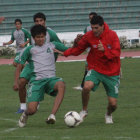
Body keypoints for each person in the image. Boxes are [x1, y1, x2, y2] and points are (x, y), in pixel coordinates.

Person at [54, 15, 121, 124]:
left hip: (112, 72)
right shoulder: (89, 36)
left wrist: (105, 50)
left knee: (113, 104)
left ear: (102, 26)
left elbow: (117, 53)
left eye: (96, 28)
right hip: (96, 69)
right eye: (92, 27)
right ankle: (84, 111)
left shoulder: (112, 35)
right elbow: (78, 49)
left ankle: (108, 114)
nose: (93, 30)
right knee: (86, 87)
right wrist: (65, 52)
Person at [18, 24, 68, 127]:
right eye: (38, 37)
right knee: (32, 110)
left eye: (42, 36)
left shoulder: (53, 45)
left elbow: (70, 50)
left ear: (45, 36)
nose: (40, 39)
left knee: (61, 84)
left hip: (50, 80)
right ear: (33, 38)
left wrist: (76, 42)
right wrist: (17, 82)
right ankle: (25, 113)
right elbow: (19, 65)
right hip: (36, 82)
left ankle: (52, 115)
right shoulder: (29, 50)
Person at [15, 12, 63, 113]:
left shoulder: (51, 33)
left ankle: (36, 94)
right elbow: (30, 49)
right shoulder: (33, 32)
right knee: (22, 81)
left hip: (44, 65)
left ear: (45, 21)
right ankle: (23, 106)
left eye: (41, 20)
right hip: (32, 64)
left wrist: (53, 58)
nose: (39, 23)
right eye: (37, 21)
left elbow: (58, 46)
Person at [3, 19, 31, 112]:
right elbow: (12, 40)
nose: (17, 25)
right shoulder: (14, 32)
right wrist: (6, 43)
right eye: (16, 24)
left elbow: (30, 38)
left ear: (21, 24)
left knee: (16, 64)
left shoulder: (25, 31)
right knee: (15, 64)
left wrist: (25, 43)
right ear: (15, 25)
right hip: (18, 51)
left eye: (19, 24)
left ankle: (24, 71)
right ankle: (26, 69)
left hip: (24, 51)